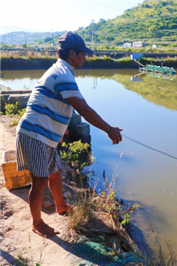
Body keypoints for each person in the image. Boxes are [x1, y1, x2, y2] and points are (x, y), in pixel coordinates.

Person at [16, 31, 122, 238]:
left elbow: (59, 104)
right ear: (72, 53)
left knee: (54, 172)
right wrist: (110, 130)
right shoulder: (63, 74)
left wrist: (61, 130)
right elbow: (84, 110)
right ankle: (37, 223)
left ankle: (61, 206)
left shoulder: (62, 70)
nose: (85, 57)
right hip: (35, 133)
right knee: (39, 181)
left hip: (45, 134)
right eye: (83, 53)